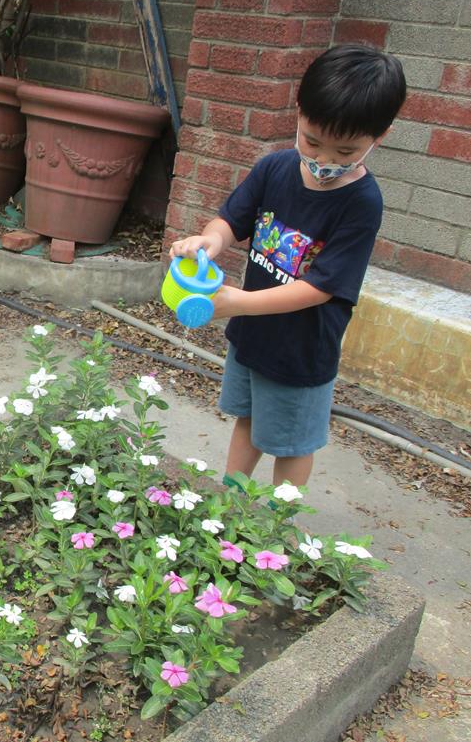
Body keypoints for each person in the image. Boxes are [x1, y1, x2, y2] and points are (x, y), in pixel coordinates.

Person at [168, 44, 406, 488]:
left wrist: (237, 302)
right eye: (312, 141)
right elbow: (230, 221)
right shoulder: (275, 168)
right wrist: (210, 240)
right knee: (249, 418)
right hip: (253, 334)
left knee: (292, 443)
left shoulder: (361, 203)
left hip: (301, 350)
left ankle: (278, 522)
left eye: (345, 151)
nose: (324, 160)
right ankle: (230, 503)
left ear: (380, 137)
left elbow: (320, 288)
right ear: (299, 111)